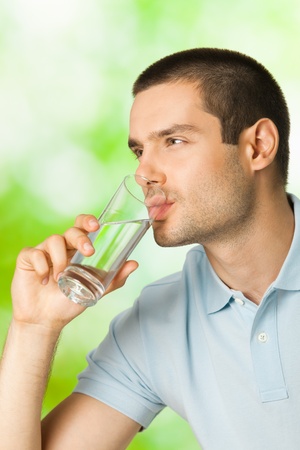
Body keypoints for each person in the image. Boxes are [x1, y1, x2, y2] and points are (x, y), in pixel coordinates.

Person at [0, 47, 298, 450]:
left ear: (258, 146)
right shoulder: (157, 323)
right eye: (140, 150)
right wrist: (34, 327)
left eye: (173, 141)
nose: (143, 173)